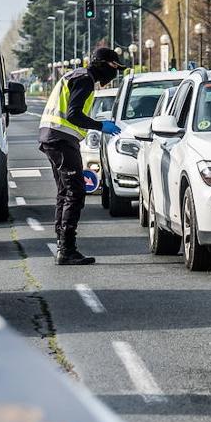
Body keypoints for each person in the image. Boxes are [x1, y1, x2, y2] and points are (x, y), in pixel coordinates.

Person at [39, 47, 125, 265]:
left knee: (64, 191)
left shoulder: (76, 75)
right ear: (103, 64)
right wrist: (99, 125)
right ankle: (67, 248)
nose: (115, 72)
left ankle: (62, 244)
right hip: (61, 138)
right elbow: (73, 114)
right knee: (75, 192)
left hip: (52, 137)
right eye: (114, 67)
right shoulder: (85, 79)